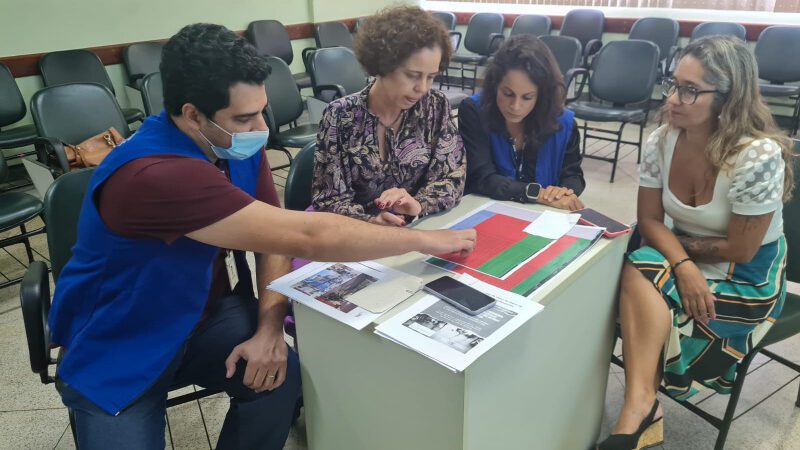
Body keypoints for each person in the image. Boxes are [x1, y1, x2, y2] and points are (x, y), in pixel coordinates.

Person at [48, 23, 476, 450]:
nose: (260, 130)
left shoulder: (228, 143)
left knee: (281, 374)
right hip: (117, 343)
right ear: (192, 113)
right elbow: (307, 234)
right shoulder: (154, 173)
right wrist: (424, 240)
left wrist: (269, 328)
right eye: (243, 117)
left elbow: (273, 238)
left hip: (200, 317)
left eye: (261, 111)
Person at [599, 36, 794, 449]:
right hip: (687, 257)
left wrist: (679, 251)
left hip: (747, 276)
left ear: (727, 98)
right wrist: (684, 265)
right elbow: (649, 220)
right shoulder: (662, 140)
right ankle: (642, 407)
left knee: (639, 274)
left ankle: (639, 413)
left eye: (690, 90)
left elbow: (741, 249)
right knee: (633, 270)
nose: (673, 98)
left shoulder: (756, 155)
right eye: (673, 84)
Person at [312, 6, 465, 226]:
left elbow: (453, 176)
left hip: (417, 227)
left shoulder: (435, 106)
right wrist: (371, 220)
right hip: (356, 235)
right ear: (382, 65)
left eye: (431, 77)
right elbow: (329, 199)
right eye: (412, 76)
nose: (422, 88)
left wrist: (418, 204)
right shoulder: (340, 116)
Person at [459, 34, 585, 211]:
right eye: (508, 94)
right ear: (494, 85)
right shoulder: (474, 110)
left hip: (544, 216)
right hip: (485, 210)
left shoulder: (564, 123)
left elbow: (573, 175)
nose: (515, 107)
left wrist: (563, 192)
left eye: (527, 97)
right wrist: (536, 194)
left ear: (542, 95)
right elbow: (481, 177)